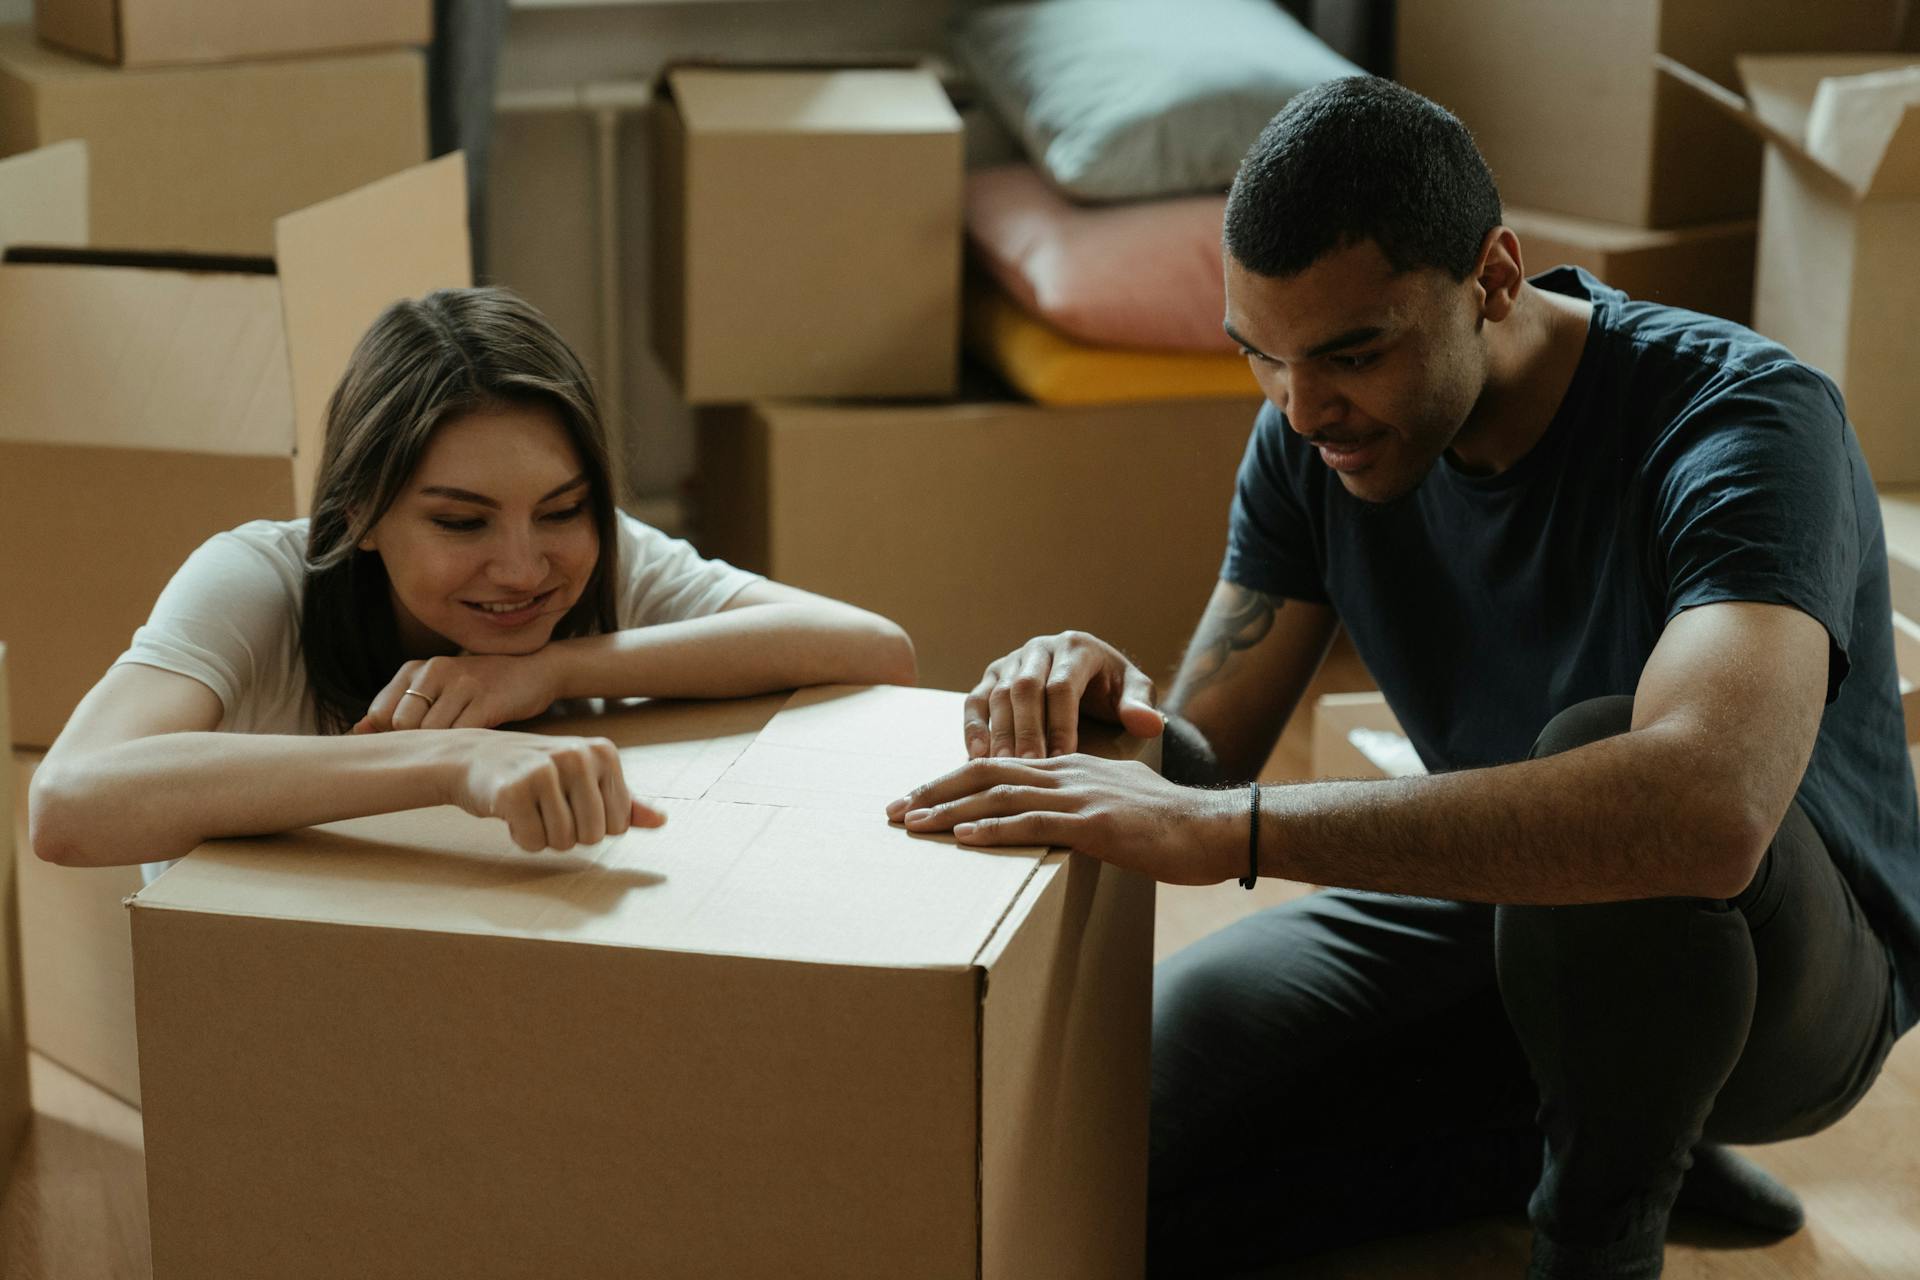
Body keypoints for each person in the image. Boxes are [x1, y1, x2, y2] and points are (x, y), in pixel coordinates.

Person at [887, 77, 1915, 1279]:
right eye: (1260, 356)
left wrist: (1231, 829)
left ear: (1492, 277)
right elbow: (1204, 754)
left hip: (1788, 982)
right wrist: (1103, 707)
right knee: (1104, 1167)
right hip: (1485, 906)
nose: (1303, 404)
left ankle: (1605, 1216)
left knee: (1609, 751)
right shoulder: (1310, 433)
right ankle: (1545, 1143)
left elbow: (1705, 812)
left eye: (1352, 353)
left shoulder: (1740, 422)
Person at [32, 286, 915, 869]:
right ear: (358, 514)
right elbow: (69, 805)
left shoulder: (602, 554)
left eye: (564, 509)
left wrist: (543, 672)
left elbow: (873, 650)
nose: (525, 567)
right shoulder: (258, 580)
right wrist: (451, 756)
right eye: (461, 522)